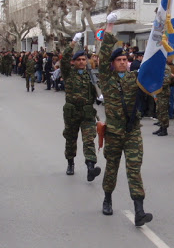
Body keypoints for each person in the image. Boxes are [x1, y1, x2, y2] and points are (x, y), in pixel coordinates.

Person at [98, 14, 152, 226]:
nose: (122, 62)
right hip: (113, 132)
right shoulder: (107, 78)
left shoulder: (133, 78)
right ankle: (107, 198)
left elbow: (157, 79)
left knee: (134, 168)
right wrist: (110, 27)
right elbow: (103, 55)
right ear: (112, 64)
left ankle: (139, 210)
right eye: (119, 60)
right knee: (112, 167)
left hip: (132, 132)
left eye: (124, 60)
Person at [61, 35, 101, 180]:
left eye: (84, 59)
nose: (82, 62)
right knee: (71, 139)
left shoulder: (91, 75)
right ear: (74, 62)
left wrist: (100, 95)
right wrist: (73, 43)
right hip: (71, 113)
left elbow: (97, 89)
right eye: (78, 60)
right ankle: (70, 163)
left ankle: (90, 167)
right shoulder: (68, 73)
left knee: (89, 139)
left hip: (87, 113)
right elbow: (64, 59)